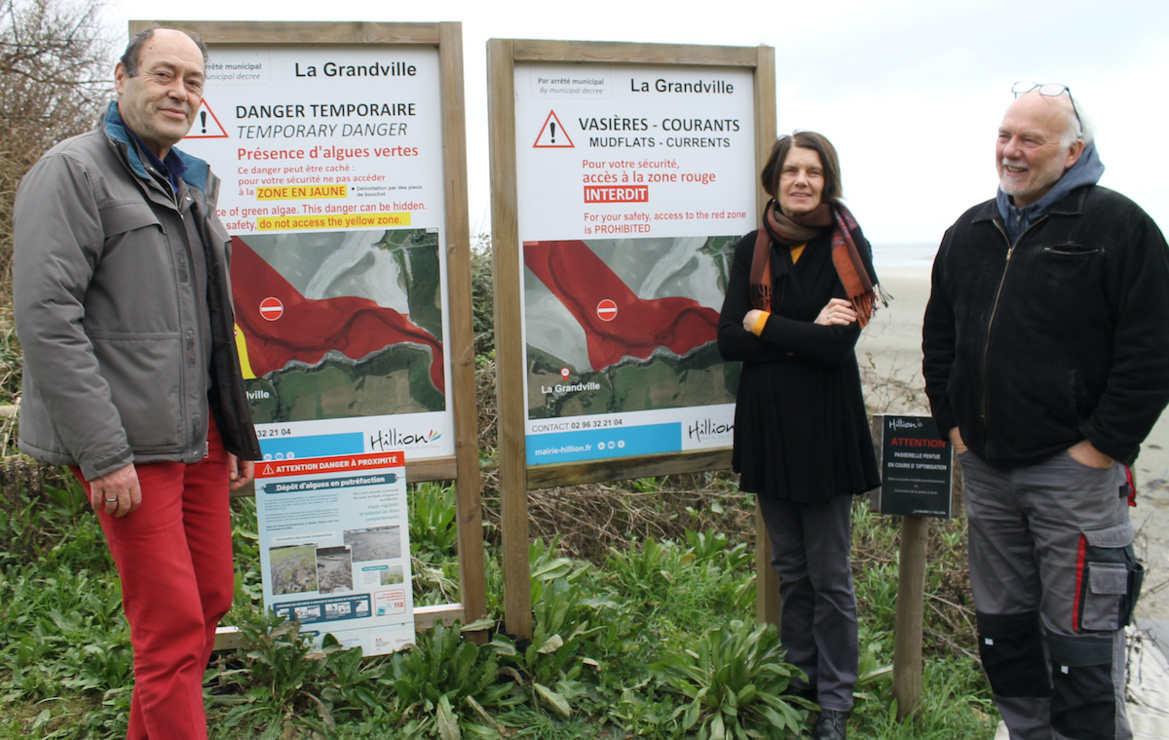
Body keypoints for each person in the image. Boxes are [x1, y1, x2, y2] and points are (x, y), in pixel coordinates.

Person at [13, 26, 261, 740]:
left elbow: (213, 323)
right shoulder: (72, 173)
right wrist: (103, 452)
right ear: (120, 79)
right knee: (171, 625)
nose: (178, 92)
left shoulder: (190, 181)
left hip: (200, 435)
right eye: (162, 75)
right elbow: (47, 321)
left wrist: (234, 431)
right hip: (130, 440)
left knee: (210, 597)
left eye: (191, 80)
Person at [922, 83, 1169, 740]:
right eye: (1005, 136)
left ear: (1071, 151)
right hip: (988, 473)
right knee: (1005, 635)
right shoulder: (970, 230)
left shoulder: (1118, 227)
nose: (1011, 150)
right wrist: (954, 429)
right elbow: (939, 336)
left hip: (1074, 477)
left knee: (1082, 644)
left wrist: (1101, 447)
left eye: (1029, 139)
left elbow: (1151, 349)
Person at [718, 131, 883, 740]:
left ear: (827, 181)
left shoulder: (848, 247)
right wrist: (794, 330)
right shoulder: (751, 247)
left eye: (813, 172)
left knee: (830, 575)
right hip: (768, 427)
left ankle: (835, 700)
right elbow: (727, 339)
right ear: (774, 178)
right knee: (790, 568)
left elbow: (837, 344)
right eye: (792, 171)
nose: (802, 182)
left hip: (826, 428)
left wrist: (763, 323)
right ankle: (799, 677)